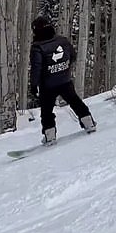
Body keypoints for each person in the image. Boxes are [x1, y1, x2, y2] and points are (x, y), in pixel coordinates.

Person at [29, 16, 96, 145]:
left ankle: (50, 135)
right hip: (64, 80)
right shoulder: (63, 41)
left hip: (47, 85)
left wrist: (34, 85)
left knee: (47, 111)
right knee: (75, 101)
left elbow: (36, 68)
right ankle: (89, 122)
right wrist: (64, 68)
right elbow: (72, 56)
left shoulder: (37, 47)